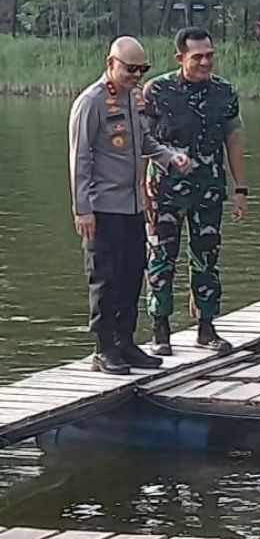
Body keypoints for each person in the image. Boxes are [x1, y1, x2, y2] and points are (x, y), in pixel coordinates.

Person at [68, 37, 192, 375]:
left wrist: (170, 156)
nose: (136, 74)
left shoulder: (134, 98)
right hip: (102, 207)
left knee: (131, 276)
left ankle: (126, 343)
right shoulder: (91, 102)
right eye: (130, 68)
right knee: (104, 280)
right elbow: (79, 158)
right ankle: (104, 348)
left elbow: (145, 141)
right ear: (111, 64)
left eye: (142, 69)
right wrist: (82, 209)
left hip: (133, 206)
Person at [143, 27, 248, 357]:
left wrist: (241, 188)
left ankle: (206, 328)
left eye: (210, 55)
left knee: (207, 257)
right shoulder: (156, 90)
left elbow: (233, 141)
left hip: (209, 188)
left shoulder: (224, 92)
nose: (205, 62)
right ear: (180, 58)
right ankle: (161, 330)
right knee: (161, 258)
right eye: (197, 57)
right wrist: (140, 189)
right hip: (164, 190)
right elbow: (142, 142)